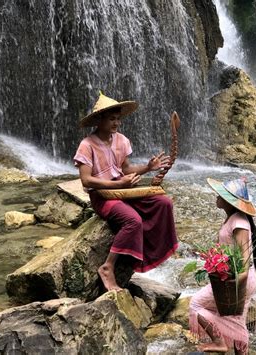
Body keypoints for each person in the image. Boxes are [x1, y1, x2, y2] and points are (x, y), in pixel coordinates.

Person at [74, 92, 178, 291]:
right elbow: (86, 180)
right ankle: (108, 266)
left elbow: (126, 170)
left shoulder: (121, 140)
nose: (116, 123)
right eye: (112, 119)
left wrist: (148, 168)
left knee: (164, 202)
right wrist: (118, 185)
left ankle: (153, 252)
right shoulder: (86, 145)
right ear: (99, 120)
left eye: (118, 119)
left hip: (124, 190)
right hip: (102, 196)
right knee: (133, 221)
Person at [189, 177, 256, 354]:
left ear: (230, 201)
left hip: (239, 279)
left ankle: (219, 342)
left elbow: (244, 259)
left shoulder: (239, 222)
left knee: (196, 305)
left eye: (221, 194)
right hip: (235, 277)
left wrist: (237, 286)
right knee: (237, 320)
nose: (216, 196)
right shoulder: (235, 218)